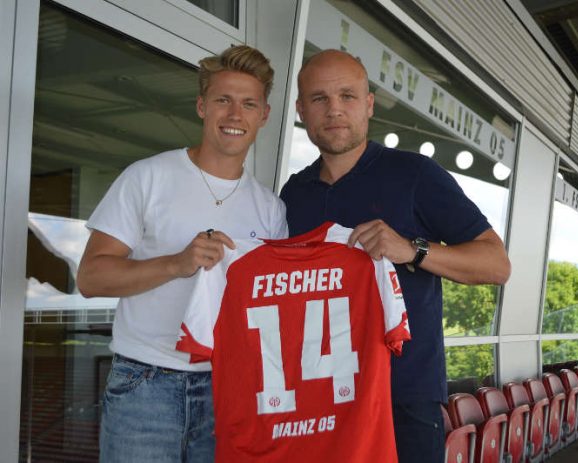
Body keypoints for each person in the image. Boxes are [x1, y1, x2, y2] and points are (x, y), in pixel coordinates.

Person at [280, 49, 511, 463]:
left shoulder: (415, 175)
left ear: (369, 103)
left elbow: (496, 264)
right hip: (315, 399)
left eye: (347, 96)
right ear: (300, 109)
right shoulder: (293, 194)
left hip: (401, 400)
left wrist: (413, 249)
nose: (334, 110)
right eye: (319, 99)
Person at [77, 45, 288, 463]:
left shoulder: (271, 208)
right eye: (223, 100)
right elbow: (90, 278)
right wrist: (176, 264)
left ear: (263, 115)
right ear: (201, 106)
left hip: (229, 388)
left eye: (248, 104)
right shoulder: (147, 177)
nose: (234, 115)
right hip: (145, 384)